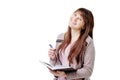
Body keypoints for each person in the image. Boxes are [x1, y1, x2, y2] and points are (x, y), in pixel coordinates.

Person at [48, 8, 95, 80]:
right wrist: (53, 58)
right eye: (75, 14)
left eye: (79, 19)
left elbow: (88, 71)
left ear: (84, 26)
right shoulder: (60, 37)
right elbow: (57, 65)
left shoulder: (88, 42)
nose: (74, 19)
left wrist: (67, 74)